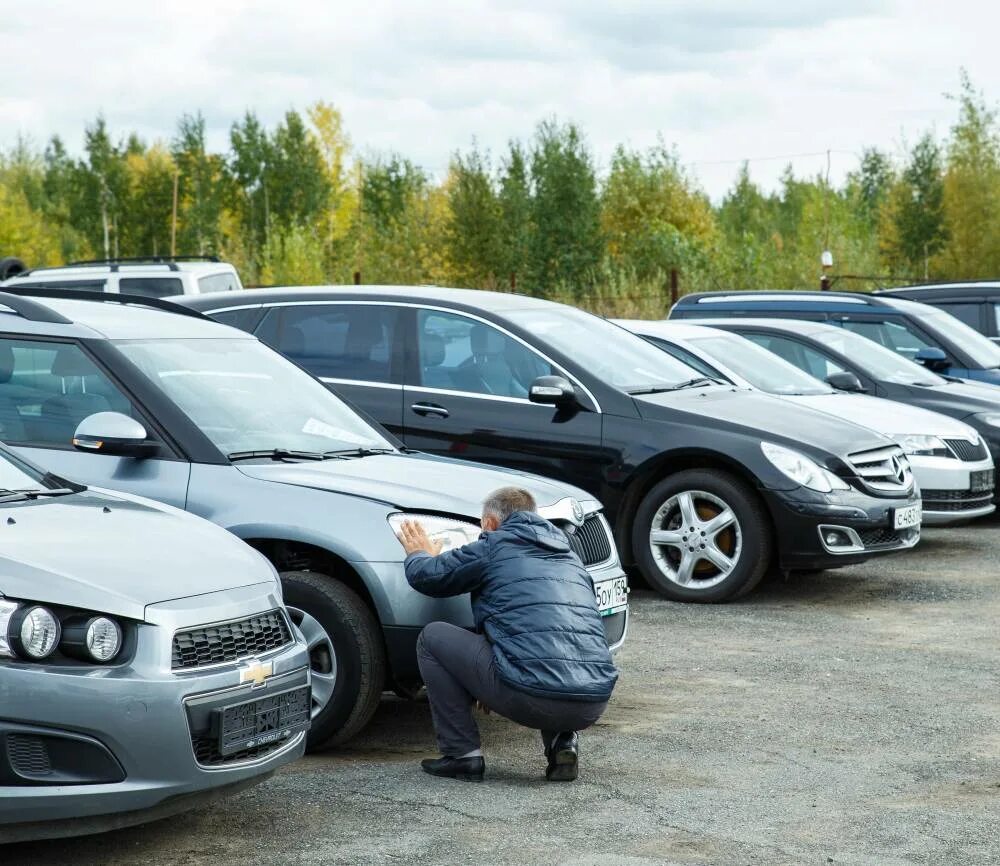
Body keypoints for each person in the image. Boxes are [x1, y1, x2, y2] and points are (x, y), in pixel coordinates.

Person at [396, 486, 618, 783]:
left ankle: (462, 755)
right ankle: (563, 743)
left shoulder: (494, 545)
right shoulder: (571, 559)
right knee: (553, 646)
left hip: (529, 695)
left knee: (433, 638)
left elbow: (429, 576)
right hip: (592, 702)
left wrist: (419, 552)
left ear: (488, 523)